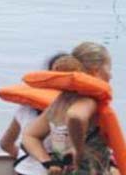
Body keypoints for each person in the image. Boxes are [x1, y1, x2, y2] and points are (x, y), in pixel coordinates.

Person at [22, 43, 116, 175]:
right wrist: (76, 148)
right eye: (109, 69)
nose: (110, 75)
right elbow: (75, 116)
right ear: (97, 71)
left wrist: (48, 162)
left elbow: (29, 136)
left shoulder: (61, 102)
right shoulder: (88, 101)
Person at [0, 53, 72, 175]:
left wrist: (28, 158)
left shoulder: (25, 108)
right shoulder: (76, 110)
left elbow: (5, 144)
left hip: (23, 170)